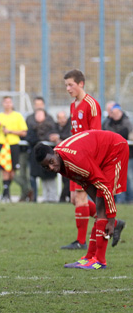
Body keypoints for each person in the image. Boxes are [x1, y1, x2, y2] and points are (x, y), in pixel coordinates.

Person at [34, 130, 128, 269]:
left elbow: (105, 187)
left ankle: (100, 261)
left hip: (115, 148)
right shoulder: (60, 161)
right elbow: (85, 182)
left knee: (102, 201)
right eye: (46, 167)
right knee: (99, 203)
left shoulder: (75, 161)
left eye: (51, 162)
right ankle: (90, 257)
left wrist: (111, 218)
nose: (51, 168)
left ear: (55, 153)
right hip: (98, 153)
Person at [61, 69, 102, 250]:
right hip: (74, 157)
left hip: (86, 158)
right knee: (74, 200)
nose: (68, 88)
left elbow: (95, 135)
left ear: (81, 84)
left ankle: (81, 241)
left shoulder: (91, 104)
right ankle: (112, 223)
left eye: (71, 85)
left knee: (80, 197)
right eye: (66, 85)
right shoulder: (73, 105)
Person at [0, 96, 28, 202]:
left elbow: (24, 132)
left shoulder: (18, 116)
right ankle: (6, 194)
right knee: (4, 170)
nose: (7, 104)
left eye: (9, 102)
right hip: (2, 145)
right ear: (2, 103)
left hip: (13, 145)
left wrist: (10, 131)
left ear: (12, 104)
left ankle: (6, 191)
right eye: (5, 102)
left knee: (12, 172)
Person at [102, 104, 133, 203]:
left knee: (127, 177)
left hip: (127, 155)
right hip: (112, 155)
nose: (115, 115)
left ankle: (128, 199)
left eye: (116, 113)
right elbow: (105, 133)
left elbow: (124, 133)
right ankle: (120, 200)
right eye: (113, 113)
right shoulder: (107, 122)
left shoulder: (126, 122)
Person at [26, 109, 58, 202]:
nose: (39, 116)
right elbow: (30, 139)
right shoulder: (32, 128)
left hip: (49, 156)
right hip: (37, 158)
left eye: (41, 114)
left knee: (50, 176)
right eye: (37, 114)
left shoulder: (51, 127)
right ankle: (45, 197)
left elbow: (54, 137)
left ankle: (52, 197)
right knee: (41, 176)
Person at [49, 111, 72, 202]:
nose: (62, 120)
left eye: (63, 117)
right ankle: (67, 197)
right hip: (61, 156)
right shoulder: (55, 126)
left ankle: (62, 198)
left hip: (70, 156)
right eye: (60, 118)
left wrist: (58, 137)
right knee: (65, 178)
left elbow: (69, 136)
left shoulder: (69, 126)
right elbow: (50, 135)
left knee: (69, 178)